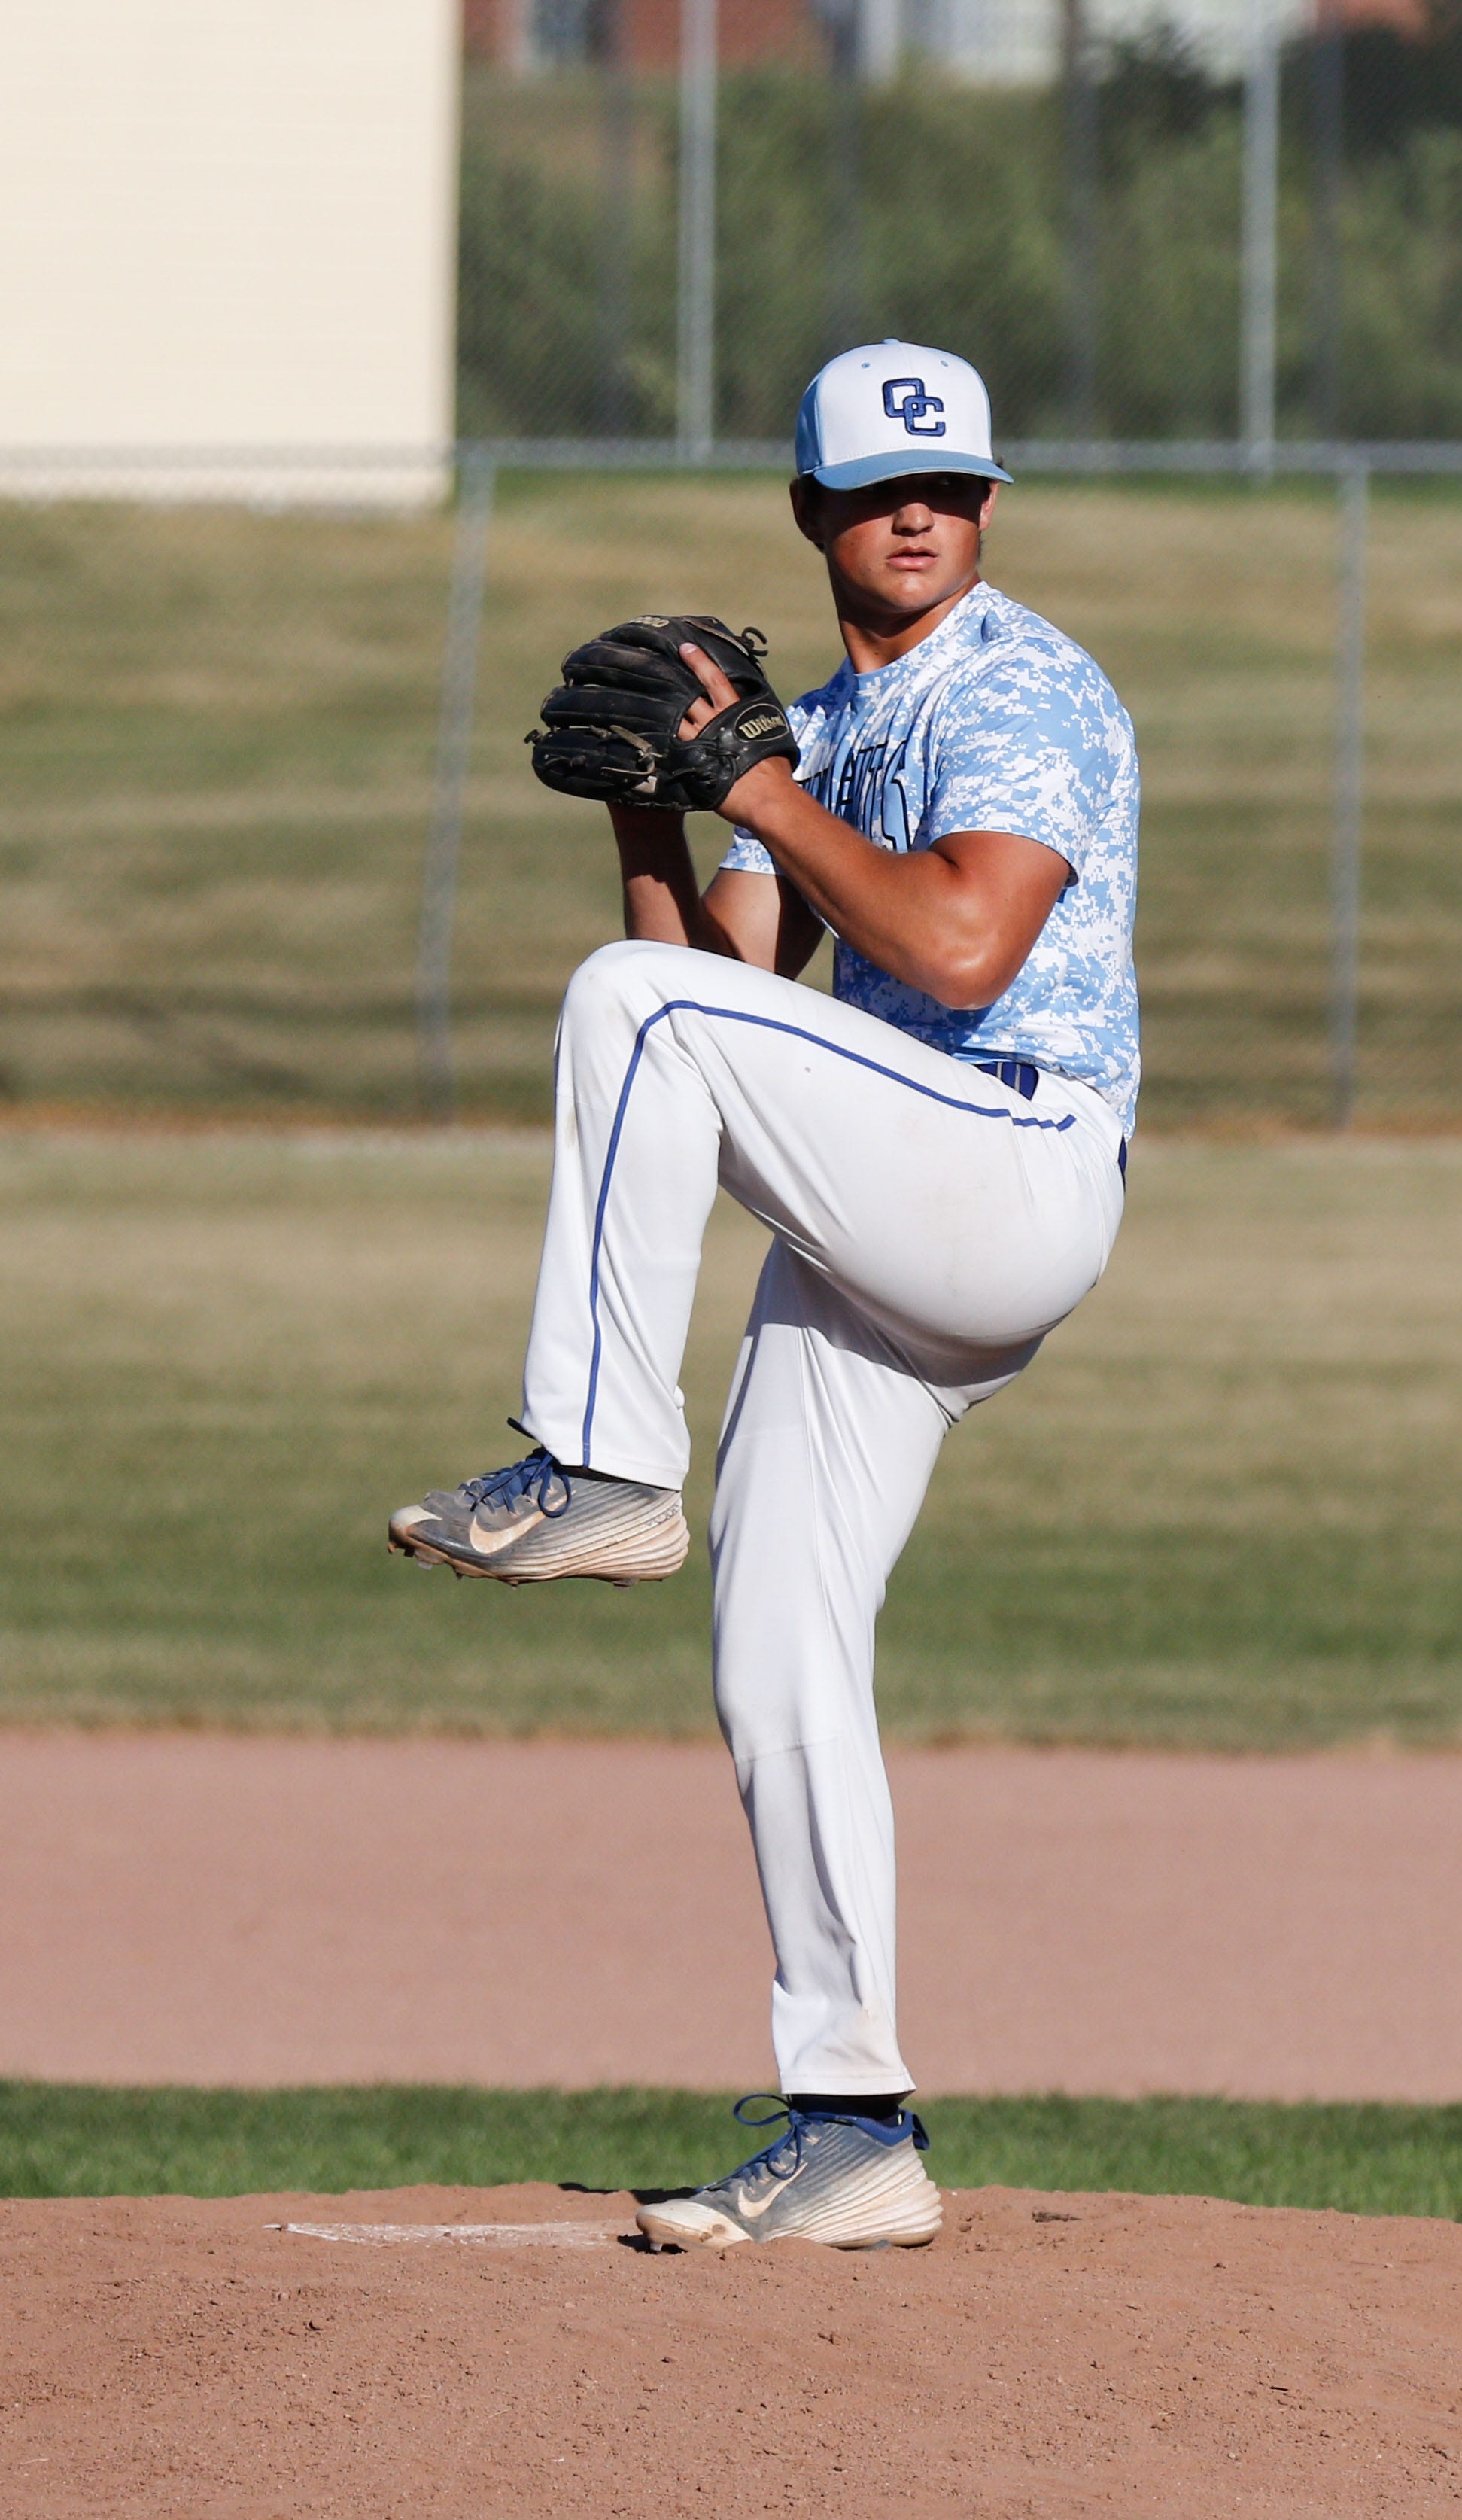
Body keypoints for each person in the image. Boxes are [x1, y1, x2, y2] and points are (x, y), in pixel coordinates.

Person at [390, 340, 1140, 2251]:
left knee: (628, 1019)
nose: (919, 512)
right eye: (882, 487)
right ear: (807, 510)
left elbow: (962, 950)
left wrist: (758, 785)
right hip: (885, 1217)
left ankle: (599, 1458)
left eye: (953, 485)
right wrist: (658, 807)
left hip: (1006, 1162)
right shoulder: (808, 728)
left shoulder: (1024, 689)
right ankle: (852, 2122)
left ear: (985, 504)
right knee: (774, 1645)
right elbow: (717, 978)